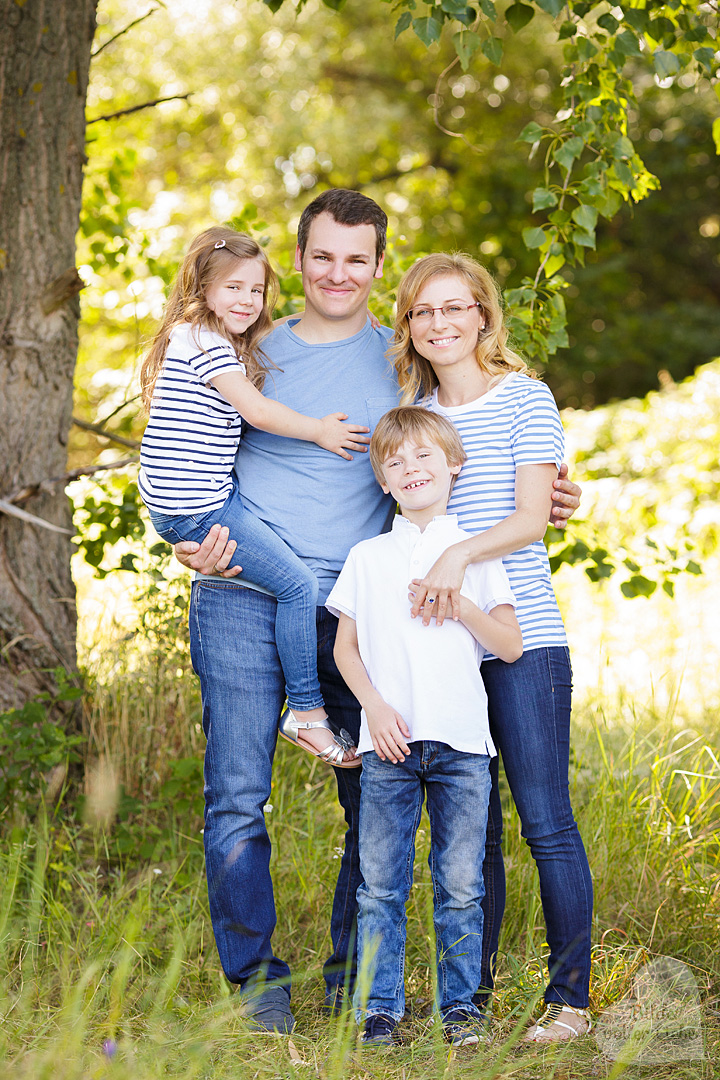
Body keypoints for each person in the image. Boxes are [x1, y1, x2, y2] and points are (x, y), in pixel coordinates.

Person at [172, 189, 582, 1034]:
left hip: (365, 609)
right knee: (238, 798)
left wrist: (557, 498)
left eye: (356, 259)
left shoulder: (407, 373)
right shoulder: (251, 352)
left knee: (379, 800)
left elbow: (459, 459)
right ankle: (257, 991)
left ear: (378, 267)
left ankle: (361, 987)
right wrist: (190, 536)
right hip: (245, 595)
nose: (338, 273)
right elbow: (188, 447)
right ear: (299, 259)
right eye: (322, 256)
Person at [390, 253, 593, 1042]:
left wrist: (456, 555)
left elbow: (531, 518)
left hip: (522, 643)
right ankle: (467, 998)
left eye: (453, 308)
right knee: (472, 834)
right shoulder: (411, 411)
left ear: (482, 315)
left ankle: (569, 1000)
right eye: (421, 312)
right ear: (408, 326)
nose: (438, 324)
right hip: (443, 653)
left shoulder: (524, 398)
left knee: (545, 819)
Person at [328, 406, 522, 1048]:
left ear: (453, 466)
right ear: (382, 480)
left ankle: (460, 1007)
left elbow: (511, 646)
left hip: (464, 743)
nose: (410, 468)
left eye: (424, 457)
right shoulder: (367, 555)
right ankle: (378, 1007)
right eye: (395, 461)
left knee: (461, 882)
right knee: (379, 883)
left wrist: (461, 601)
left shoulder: (475, 549)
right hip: (389, 743)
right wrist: (374, 709)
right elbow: (345, 650)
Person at [138, 225, 365, 766]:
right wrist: (318, 430)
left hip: (202, 499)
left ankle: (308, 712)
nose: (247, 300)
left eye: (256, 290)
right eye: (233, 288)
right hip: (201, 509)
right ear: (202, 290)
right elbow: (257, 413)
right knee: (296, 585)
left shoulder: (199, 339)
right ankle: (307, 714)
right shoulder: (206, 341)